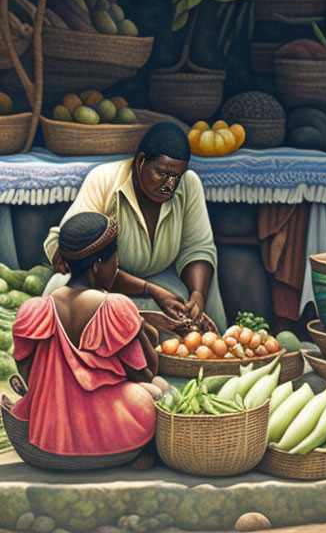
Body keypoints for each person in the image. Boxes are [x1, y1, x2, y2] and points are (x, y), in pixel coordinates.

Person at [44, 123, 224, 330]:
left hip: (161, 277)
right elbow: (76, 247)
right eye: (162, 173)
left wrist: (198, 295)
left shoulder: (190, 184)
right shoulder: (104, 178)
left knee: (196, 315)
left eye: (177, 177)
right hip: (103, 281)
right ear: (140, 162)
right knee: (62, 284)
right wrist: (151, 290)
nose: (170, 186)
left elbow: (197, 247)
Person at [11, 213, 157, 460]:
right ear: (98, 264)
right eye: (115, 261)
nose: (116, 268)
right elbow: (146, 373)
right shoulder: (115, 307)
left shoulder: (35, 310)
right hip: (114, 430)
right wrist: (138, 328)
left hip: (51, 431)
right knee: (158, 389)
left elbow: (25, 368)